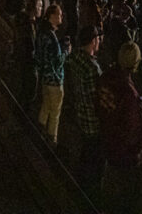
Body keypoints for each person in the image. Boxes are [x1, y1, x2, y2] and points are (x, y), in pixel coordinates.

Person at [97, 41, 142, 214]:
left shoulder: (105, 77)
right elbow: (132, 127)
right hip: (125, 152)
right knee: (127, 196)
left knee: (111, 188)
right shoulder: (128, 92)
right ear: (135, 63)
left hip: (107, 140)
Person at [63, 24, 103, 199]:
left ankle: (80, 185)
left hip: (80, 112)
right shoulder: (92, 68)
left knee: (86, 151)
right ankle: (89, 196)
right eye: (98, 39)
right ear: (93, 41)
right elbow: (99, 98)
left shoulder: (75, 58)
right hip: (93, 119)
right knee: (95, 159)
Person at [36, 3, 68, 145]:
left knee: (46, 106)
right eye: (59, 14)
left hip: (44, 77)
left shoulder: (42, 33)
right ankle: (51, 139)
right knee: (55, 113)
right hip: (55, 80)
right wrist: (66, 51)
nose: (61, 16)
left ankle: (39, 129)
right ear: (52, 17)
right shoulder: (51, 37)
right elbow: (57, 61)